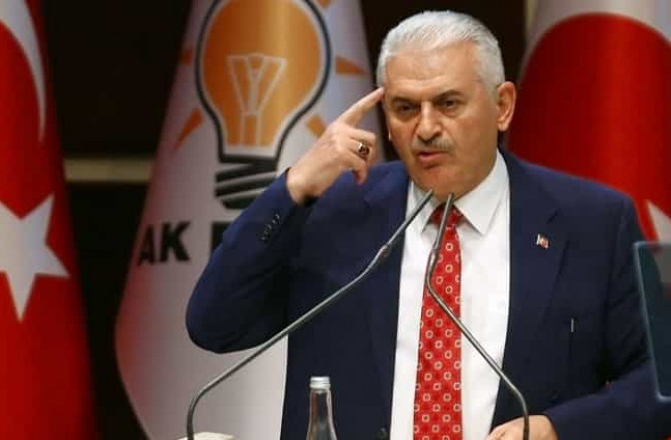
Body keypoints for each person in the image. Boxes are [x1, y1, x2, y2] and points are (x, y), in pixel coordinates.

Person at [186, 10, 671, 440]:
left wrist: (560, 429)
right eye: (404, 108)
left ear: (503, 105)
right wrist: (293, 188)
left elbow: (660, 380)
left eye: (448, 103)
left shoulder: (595, 221)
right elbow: (214, 325)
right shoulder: (331, 213)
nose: (425, 128)